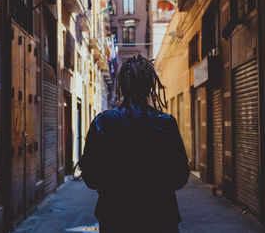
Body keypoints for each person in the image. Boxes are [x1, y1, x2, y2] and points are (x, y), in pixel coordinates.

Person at [79, 55, 190, 233]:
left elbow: (90, 177)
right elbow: (180, 176)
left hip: (115, 217)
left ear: (121, 85)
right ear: (150, 86)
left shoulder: (103, 123)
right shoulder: (166, 123)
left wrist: (113, 187)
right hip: (161, 218)